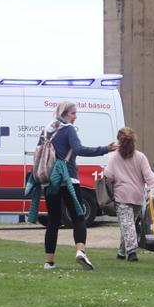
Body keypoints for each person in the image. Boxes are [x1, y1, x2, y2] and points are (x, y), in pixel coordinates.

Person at [41, 101, 116, 270]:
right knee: (78, 217)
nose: (76, 117)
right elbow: (79, 149)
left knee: (53, 220)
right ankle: (80, 251)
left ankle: (49, 262)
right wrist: (105, 149)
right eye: (73, 113)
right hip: (69, 179)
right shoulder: (69, 130)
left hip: (50, 181)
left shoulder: (47, 130)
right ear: (65, 114)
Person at [102, 127, 154, 262]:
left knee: (127, 224)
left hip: (121, 196)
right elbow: (149, 175)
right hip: (137, 197)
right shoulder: (141, 157)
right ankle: (121, 252)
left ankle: (131, 252)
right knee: (128, 224)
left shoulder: (114, 158)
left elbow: (108, 175)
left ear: (119, 141)